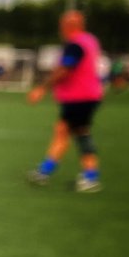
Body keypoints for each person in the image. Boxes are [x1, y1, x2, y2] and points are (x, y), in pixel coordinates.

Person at [25, 10, 104, 193]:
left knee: (75, 134)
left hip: (79, 97)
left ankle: (90, 177)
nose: (60, 28)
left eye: (62, 24)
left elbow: (65, 70)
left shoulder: (75, 45)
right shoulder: (90, 40)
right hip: (88, 95)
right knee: (68, 132)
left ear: (68, 26)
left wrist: (42, 88)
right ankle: (46, 172)